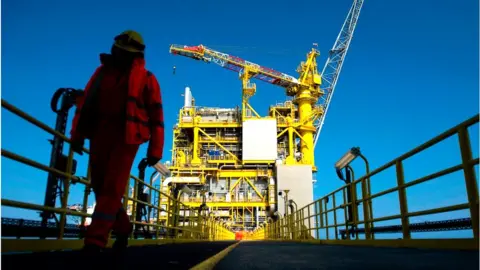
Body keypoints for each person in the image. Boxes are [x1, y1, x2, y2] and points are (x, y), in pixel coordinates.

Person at [69, 30, 165, 252]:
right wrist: (78, 137)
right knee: (100, 187)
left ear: (134, 56)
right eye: (118, 50)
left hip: (127, 138)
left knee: (112, 187)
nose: (119, 54)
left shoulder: (147, 79)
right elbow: (86, 106)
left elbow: (157, 116)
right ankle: (122, 227)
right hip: (100, 134)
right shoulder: (101, 73)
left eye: (124, 52)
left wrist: (155, 150)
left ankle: (95, 241)